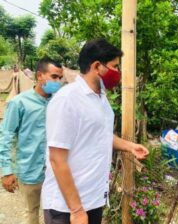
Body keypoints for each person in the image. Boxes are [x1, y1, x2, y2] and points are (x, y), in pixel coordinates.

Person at [42, 39, 149, 224]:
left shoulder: (101, 98)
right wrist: (76, 210)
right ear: (97, 66)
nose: (118, 73)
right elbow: (56, 158)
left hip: (92, 200)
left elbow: (100, 135)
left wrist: (130, 146)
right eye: (115, 66)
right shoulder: (67, 100)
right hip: (67, 208)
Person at [0, 57, 63, 224]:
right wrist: (6, 170)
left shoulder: (60, 102)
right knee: (31, 213)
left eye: (60, 78)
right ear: (40, 75)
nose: (58, 82)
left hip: (56, 171)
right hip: (30, 169)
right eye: (54, 77)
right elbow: (6, 136)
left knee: (58, 214)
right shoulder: (19, 103)